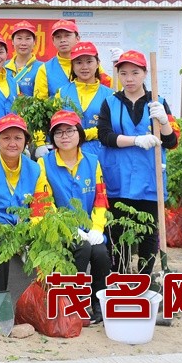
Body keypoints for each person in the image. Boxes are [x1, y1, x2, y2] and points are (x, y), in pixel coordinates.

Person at [97, 50, 179, 274]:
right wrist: (136, 140)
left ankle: (144, 279)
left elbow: (171, 141)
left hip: (149, 177)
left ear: (145, 73)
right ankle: (119, 278)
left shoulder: (158, 102)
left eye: (135, 72)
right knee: (117, 233)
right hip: (118, 177)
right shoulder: (110, 102)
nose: (129, 78)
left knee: (148, 233)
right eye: (123, 73)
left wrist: (164, 121)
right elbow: (105, 136)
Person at [38, 110, 110, 324]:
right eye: (58, 132)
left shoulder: (92, 162)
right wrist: (67, 228)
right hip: (58, 229)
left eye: (70, 130)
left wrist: (97, 228)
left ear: (80, 133)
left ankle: (97, 302)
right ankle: (73, 303)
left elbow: (100, 198)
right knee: (83, 248)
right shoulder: (44, 163)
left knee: (101, 253)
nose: (65, 136)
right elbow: (44, 202)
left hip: (89, 228)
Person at [0, 114, 49, 294]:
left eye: (18, 138)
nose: (12, 143)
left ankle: (47, 299)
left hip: (25, 228)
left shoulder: (35, 169)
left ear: (26, 142)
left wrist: (28, 230)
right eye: (6, 138)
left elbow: (41, 207)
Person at [56, 41, 114, 158]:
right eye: (79, 62)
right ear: (72, 65)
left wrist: (82, 134)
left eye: (89, 61)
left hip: (103, 154)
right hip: (69, 154)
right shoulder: (62, 93)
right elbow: (55, 124)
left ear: (97, 64)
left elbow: (112, 126)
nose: (84, 67)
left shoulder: (110, 95)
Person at [34, 19, 110, 99]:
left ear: (77, 38)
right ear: (53, 41)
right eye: (58, 37)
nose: (63, 40)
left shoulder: (91, 64)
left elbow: (108, 87)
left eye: (67, 35)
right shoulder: (45, 69)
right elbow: (39, 102)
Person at [5, 20, 43, 97]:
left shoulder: (42, 68)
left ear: (34, 42)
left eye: (28, 38)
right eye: (19, 38)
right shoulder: (3, 67)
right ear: (12, 41)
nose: (23, 43)